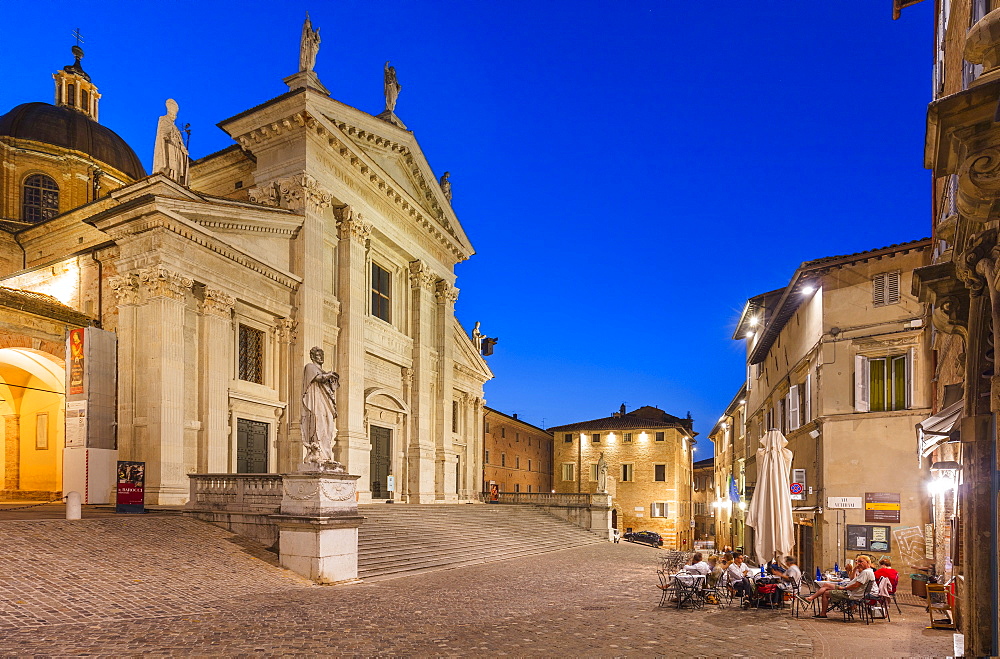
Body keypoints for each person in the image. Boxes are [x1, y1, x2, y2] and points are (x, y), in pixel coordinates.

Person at [801, 554, 875, 618]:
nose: (858, 563)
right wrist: (855, 568)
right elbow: (852, 579)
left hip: (851, 593)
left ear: (867, 562)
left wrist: (844, 588)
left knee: (825, 593)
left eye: (861, 561)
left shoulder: (865, 572)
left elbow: (856, 585)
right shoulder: (868, 571)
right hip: (850, 590)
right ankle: (811, 598)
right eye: (857, 561)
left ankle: (822, 613)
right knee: (826, 585)